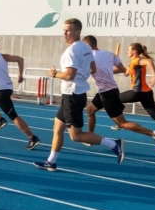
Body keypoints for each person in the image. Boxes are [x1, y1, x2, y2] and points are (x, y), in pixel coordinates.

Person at [33, 19, 124, 171]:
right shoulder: (86, 47)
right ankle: (51, 161)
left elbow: (70, 75)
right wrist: (82, 72)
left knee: (76, 136)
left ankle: (114, 144)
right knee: (57, 127)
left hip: (72, 95)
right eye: (64, 30)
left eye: (68, 30)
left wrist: (54, 74)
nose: (64, 33)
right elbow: (93, 68)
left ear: (77, 32)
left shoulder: (71, 51)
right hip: (76, 93)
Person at [83, 36, 155, 149]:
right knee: (90, 110)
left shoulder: (88, 57)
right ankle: (90, 138)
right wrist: (107, 71)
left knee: (122, 124)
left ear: (87, 46)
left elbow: (83, 72)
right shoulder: (109, 54)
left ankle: (154, 134)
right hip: (108, 90)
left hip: (107, 93)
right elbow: (122, 69)